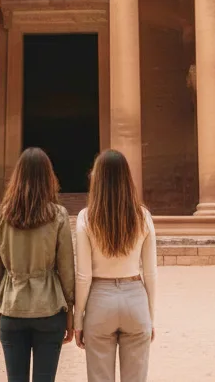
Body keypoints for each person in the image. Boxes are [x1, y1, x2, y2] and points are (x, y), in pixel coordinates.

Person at [0, 147, 76, 382]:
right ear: (49, 178)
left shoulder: (0, 216)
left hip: (11, 308)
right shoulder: (58, 215)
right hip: (49, 309)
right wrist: (71, 313)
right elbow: (66, 269)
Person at [74, 149, 157, 382]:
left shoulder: (86, 217)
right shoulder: (143, 217)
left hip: (100, 300)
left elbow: (83, 276)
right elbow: (150, 273)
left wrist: (78, 320)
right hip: (135, 298)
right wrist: (150, 317)